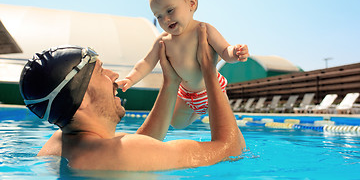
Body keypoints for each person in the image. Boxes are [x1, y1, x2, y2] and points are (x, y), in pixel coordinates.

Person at [19, 24, 246, 171]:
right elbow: (230, 149)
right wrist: (209, 73)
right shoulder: (123, 153)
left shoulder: (57, 145)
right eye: (101, 72)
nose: (114, 76)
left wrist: (171, 82)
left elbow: (142, 146)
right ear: (83, 99)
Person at [117, 0, 250, 128]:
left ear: (191, 3)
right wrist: (130, 79)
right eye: (158, 16)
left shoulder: (204, 30)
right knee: (176, 124)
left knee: (224, 127)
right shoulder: (163, 41)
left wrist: (235, 53)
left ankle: (202, 112)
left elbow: (224, 51)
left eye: (170, 10)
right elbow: (145, 63)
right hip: (186, 94)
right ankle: (197, 113)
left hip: (212, 90)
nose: (165, 19)